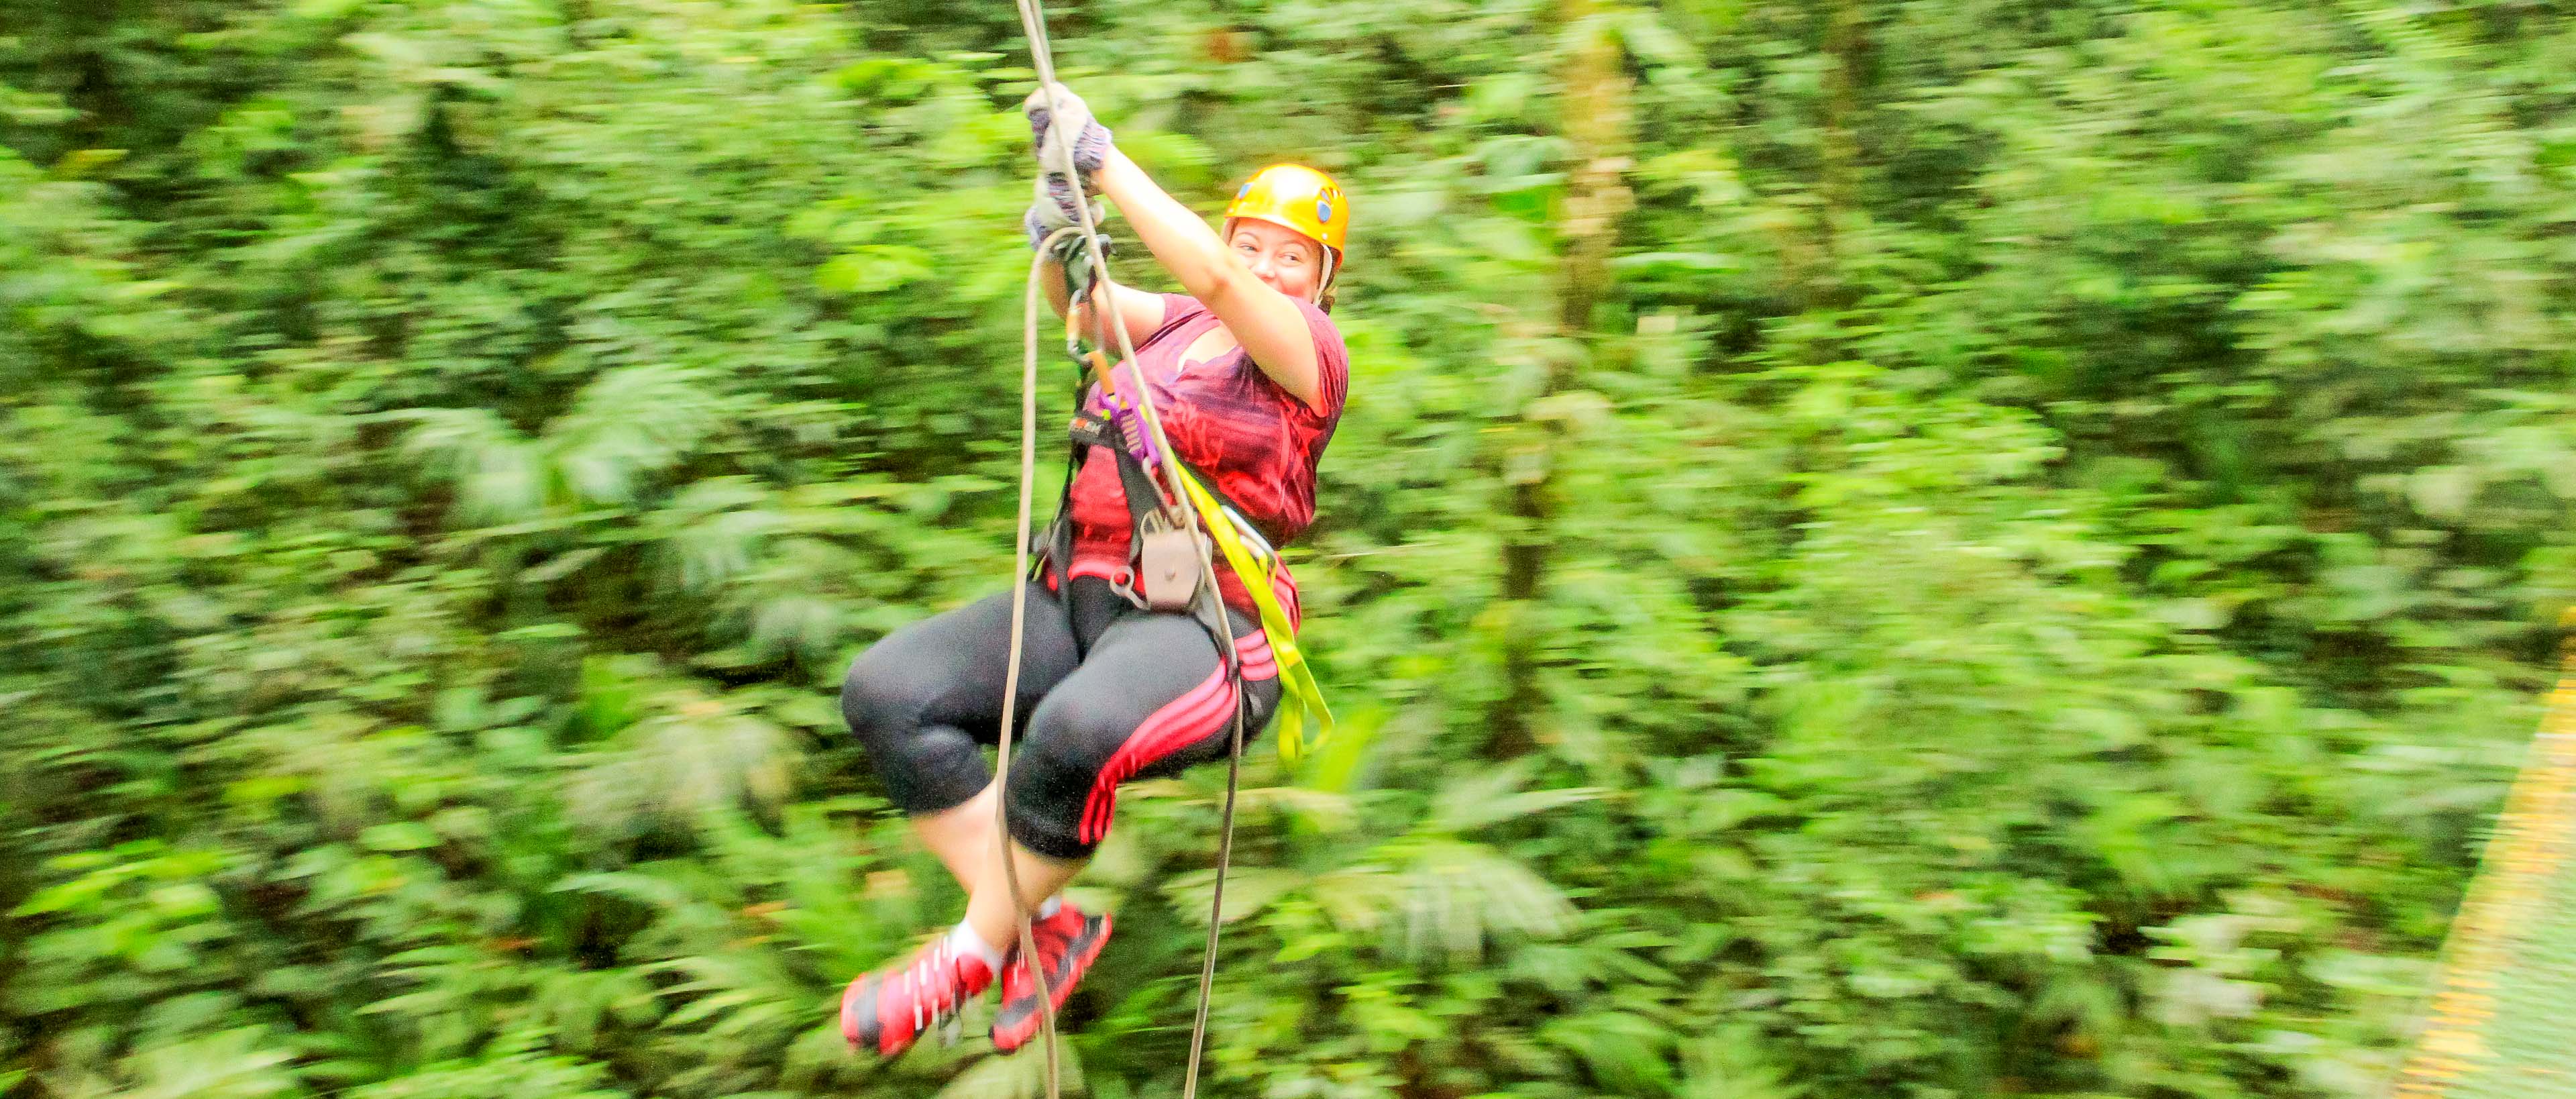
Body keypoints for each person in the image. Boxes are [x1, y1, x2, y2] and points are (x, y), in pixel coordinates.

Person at [837, 82, 1352, 1058]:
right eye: (1256, 244)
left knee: (1077, 730)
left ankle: (965, 955)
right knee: (888, 692)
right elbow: (1089, 308)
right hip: (1078, 595)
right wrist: (1067, 240)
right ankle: (1044, 925)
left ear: (1322, 284)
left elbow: (1218, 282)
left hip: (1206, 630)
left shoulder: (1307, 354)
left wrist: (1104, 164)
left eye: (1296, 259)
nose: (1269, 268)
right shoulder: (1178, 331)